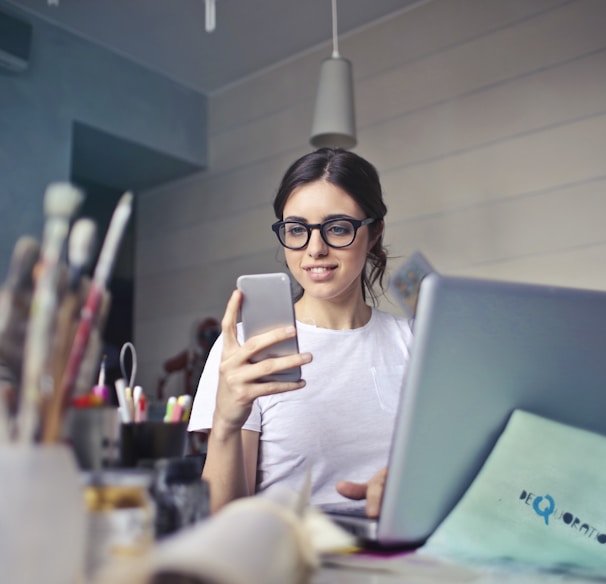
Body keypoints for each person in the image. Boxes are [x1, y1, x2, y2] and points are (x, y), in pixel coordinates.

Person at [188, 147, 413, 516]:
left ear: (374, 233)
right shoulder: (247, 349)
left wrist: (410, 487)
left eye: (337, 228)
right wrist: (226, 423)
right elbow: (222, 521)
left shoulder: (414, 342)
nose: (315, 249)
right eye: (297, 230)